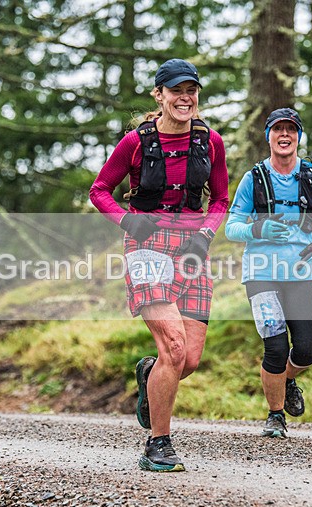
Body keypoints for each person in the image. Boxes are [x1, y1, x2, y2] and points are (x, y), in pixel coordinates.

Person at [90, 59, 229, 471]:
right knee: (174, 346)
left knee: (188, 360)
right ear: (160, 95)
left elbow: (220, 198)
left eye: (191, 91)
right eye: (176, 91)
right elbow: (100, 191)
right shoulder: (135, 142)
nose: (184, 98)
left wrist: (205, 235)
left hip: (190, 247)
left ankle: (151, 373)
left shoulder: (211, 142)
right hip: (147, 245)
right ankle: (157, 445)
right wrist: (127, 219)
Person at [225, 108, 312, 438]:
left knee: (306, 350)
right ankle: (276, 416)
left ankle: (286, 381)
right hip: (261, 275)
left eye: (291, 129)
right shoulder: (254, 178)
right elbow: (232, 227)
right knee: (275, 347)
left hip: (300, 273)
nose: (284, 135)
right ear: (269, 136)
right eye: (278, 129)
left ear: (299, 136)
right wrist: (257, 231)